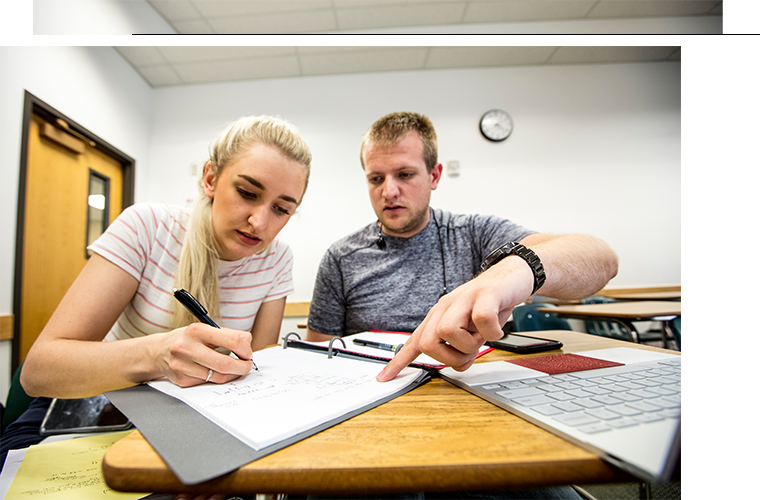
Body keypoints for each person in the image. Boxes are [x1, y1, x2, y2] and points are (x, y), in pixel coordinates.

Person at [2, 116, 311, 476]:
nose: (260, 222)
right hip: (96, 403)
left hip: (194, 417)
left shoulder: (276, 259)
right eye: (247, 193)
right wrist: (156, 355)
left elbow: (253, 375)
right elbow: (39, 370)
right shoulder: (148, 227)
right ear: (210, 179)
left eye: (282, 208)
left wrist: (222, 456)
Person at [305, 111, 619, 383]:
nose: (389, 191)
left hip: (473, 389)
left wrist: (516, 268)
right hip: (376, 393)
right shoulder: (341, 258)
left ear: (434, 175)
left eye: (405, 175)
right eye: (376, 178)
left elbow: (602, 260)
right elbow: (320, 356)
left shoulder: (474, 233)